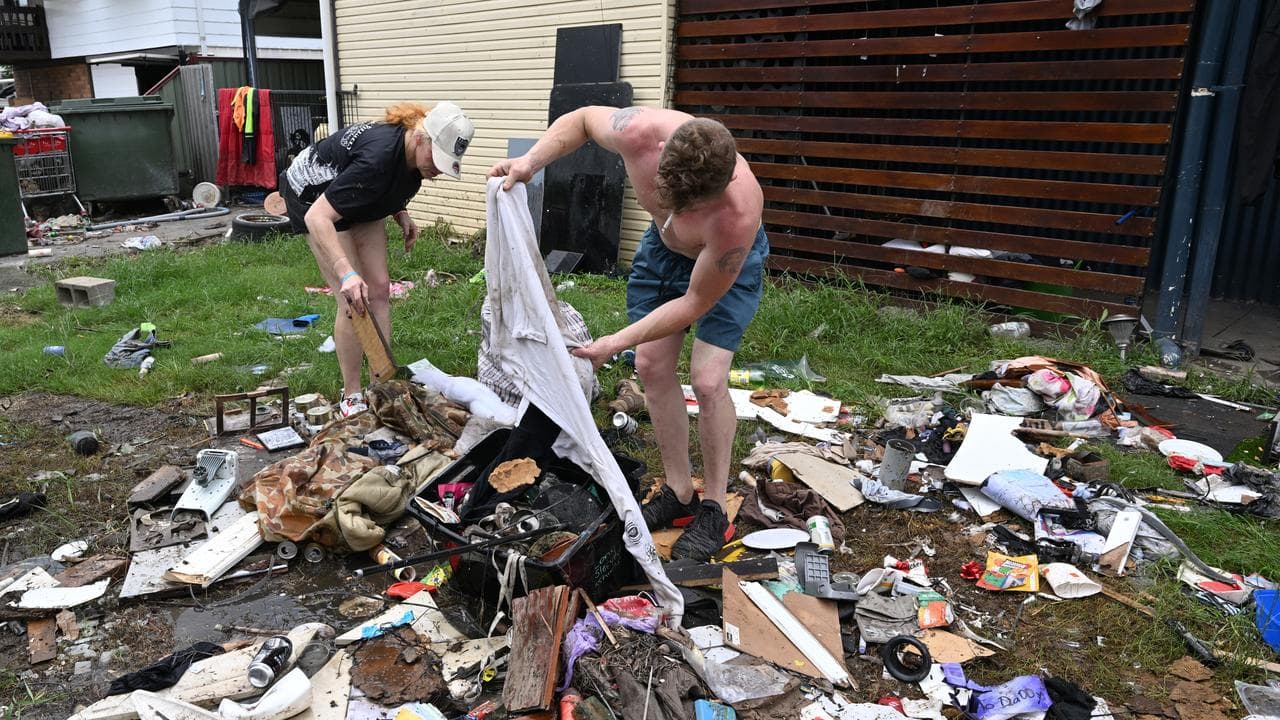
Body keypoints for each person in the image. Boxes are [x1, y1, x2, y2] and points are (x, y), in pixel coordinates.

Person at [489, 107, 768, 562]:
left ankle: (715, 505)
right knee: (652, 365)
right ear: (659, 158)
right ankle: (679, 492)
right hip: (662, 250)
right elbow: (579, 121)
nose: (681, 213)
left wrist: (613, 342)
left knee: (709, 379)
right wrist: (530, 162)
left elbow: (693, 305)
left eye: (694, 208)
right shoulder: (637, 132)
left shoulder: (738, 212)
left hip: (719, 262)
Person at [282, 101, 475, 416]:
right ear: (419, 137)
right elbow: (319, 217)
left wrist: (400, 210)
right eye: (437, 158)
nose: (438, 169)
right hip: (313, 197)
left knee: (380, 290)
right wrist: (345, 273)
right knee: (353, 300)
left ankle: (381, 383)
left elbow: (379, 187)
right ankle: (352, 395)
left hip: (349, 191)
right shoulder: (378, 158)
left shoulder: (411, 159)